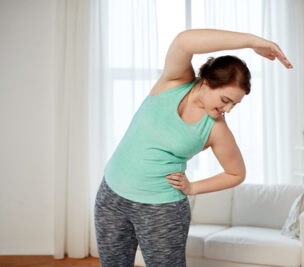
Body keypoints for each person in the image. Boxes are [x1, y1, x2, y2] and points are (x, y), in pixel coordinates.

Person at [94, 28, 292, 267]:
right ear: (207, 81)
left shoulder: (216, 128)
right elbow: (184, 41)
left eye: (235, 104)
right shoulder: (174, 81)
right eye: (226, 100)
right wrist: (252, 41)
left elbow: (237, 173)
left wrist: (193, 187)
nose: (228, 110)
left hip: (161, 210)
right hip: (111, 195)